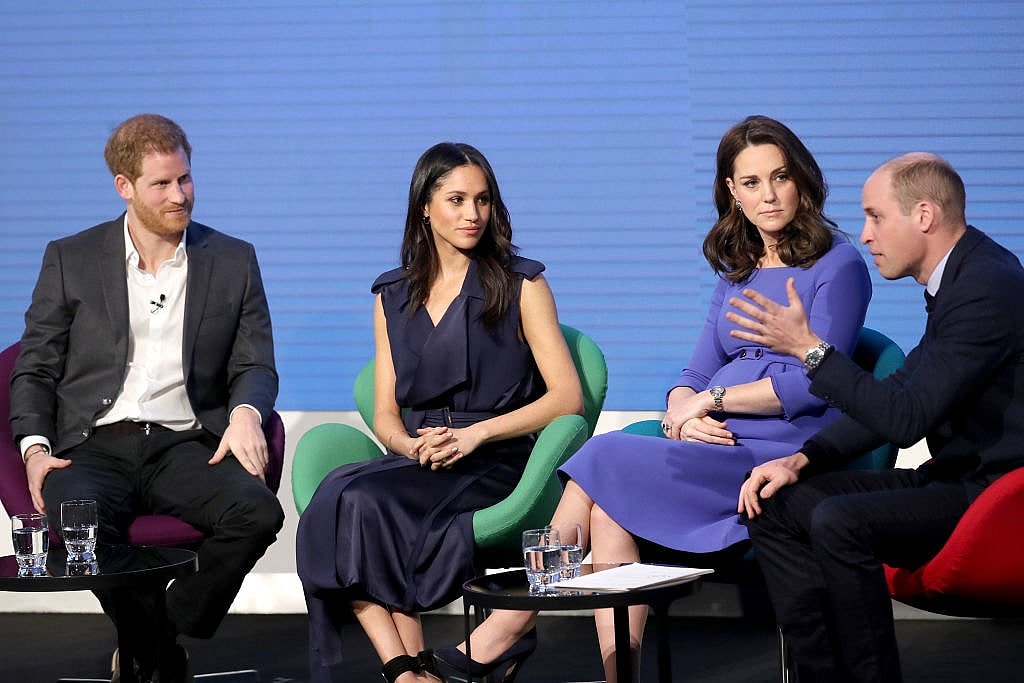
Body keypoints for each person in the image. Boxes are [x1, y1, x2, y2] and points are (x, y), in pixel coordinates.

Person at [435, 115, 872, 682]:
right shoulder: (736, 271)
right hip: (717, 440)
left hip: (786, 450)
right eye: (751, 182)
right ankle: (621, 674)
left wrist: (710, 401)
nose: (768, 194)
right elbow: (693, 370)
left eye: (780, 177)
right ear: (732, 194)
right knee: (612, 501)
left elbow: (816, 380)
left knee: (606, 458)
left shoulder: (838, 265)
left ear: (803, 182)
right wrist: (681, 415)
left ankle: (510, 624)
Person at [10, 113, 284, 683]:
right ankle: (158, 654)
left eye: (185, 179)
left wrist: (245, 413)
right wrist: (36, 448)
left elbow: (254, 361)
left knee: (257, 513)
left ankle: (151, 639)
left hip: (185, 444)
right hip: (92, 444)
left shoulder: (232, 259)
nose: (179, 195)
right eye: (162, 184)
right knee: (78, 523)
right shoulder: (71, 257)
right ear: (124, 186)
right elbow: (34, 366)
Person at [295, 142, 583, 683]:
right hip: (423, 455)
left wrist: (476, 437)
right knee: (339, 498)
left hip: (497, 457)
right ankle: (405, 671)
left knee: (365, 501)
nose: (472, 214)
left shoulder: (523, 283)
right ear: (425, 206)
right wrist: (408, 445)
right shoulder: (391, 295)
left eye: (482, 200)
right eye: (456, 199)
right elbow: (385, 413)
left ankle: (423, 668)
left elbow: (566, 398)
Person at [729, 152, 1024, 682]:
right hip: (957, 480)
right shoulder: (961, 279)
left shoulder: (986, 287)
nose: (865, 235)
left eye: (876, 216)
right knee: (774, 506)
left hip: (996, 495)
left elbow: (905, 418)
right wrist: (802, 458)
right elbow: (902, 390)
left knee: (840, 521)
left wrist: (809, 350)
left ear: (924, 216)